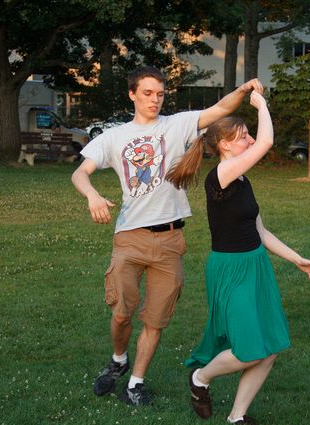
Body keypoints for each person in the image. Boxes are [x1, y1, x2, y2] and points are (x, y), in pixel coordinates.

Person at [71, 66, 264, 406]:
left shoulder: (177, 125)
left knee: (156, 320)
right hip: (129, 237)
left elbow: (221, 109)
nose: (155, 100)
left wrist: (245, 88)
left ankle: (136, 382)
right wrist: (92, 196)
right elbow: (80, 173)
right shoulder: (114, 137)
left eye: (160, 94)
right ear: (132, 94)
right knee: (122, 312)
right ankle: (118, 360)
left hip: (171, 240)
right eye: (147, 93)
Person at [166, 91, 310, 424]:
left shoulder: (242, 179)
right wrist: (261, 104)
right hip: (230, 270)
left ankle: (237, 417)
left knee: (269, 348)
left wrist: (297, 259)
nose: (250, 140)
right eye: (243, 137)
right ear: (224, 145)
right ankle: (201, 378)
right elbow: (266, 143)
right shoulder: (220, 177)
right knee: (248, 349)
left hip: (255, 266)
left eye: (249, 134)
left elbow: (260, 233)